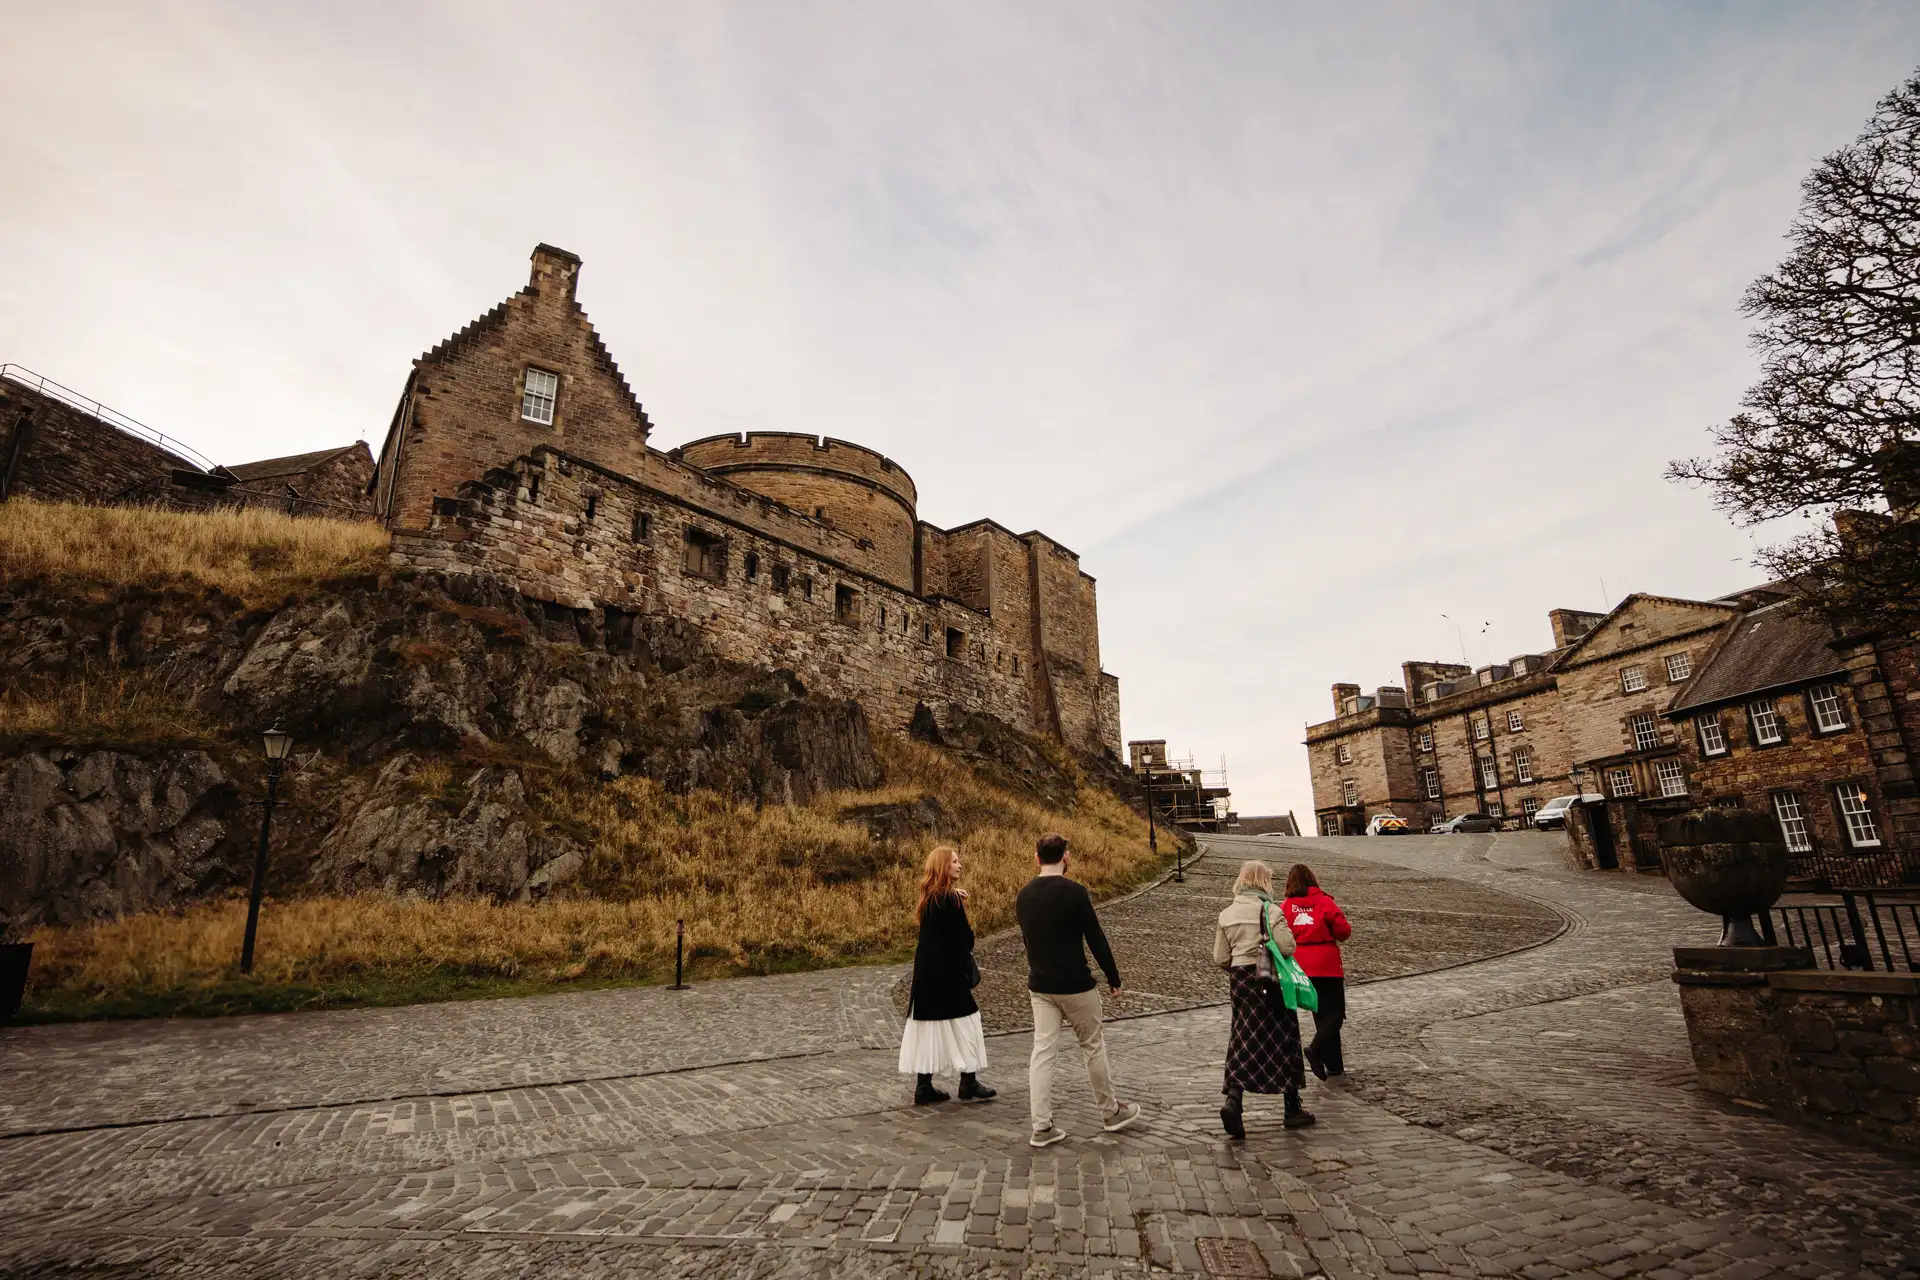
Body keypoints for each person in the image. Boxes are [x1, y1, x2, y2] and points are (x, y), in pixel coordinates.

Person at [1015, 832, 1143, 1147]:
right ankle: (1110, 1112)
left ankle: (1041, 1125)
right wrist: (1113, 976)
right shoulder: (1075, 893)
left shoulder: (1024, 895)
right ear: (1066, 856)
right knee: (1092, 1046)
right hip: (1075, 985)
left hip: (1040, 985)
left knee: (1043, 1052)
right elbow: (1095, 938)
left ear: (1037, 858)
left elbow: (1028, 940)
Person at [1212, 859, 1314, 1136]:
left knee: (1242, 1038)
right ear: (1263, 882)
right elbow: (1287, 946)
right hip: (1270, 982)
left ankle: (1234, 1099)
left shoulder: (1227, 914)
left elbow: (1220, 958)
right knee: (1285, 1037)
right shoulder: (1270, 910)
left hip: (1241, 983)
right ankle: (1291, 1107)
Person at [898, 845, 996, 1105]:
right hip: (948, 974)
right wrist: (958, 902)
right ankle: (968, 1081)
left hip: (926, 974)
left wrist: (954, 894)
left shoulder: (929, 897)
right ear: (943, 866)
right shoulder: (950, 899)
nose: (959, 865)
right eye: (954, 861)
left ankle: (924, 1086)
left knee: (928, 1027)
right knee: (968, 1021)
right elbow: (965, 939)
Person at [1282, 863, 1351, 1079]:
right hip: (1327, 965)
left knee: (1321, 1015)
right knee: (1335, 1014)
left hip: (1302, 967)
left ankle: (1334, 1065)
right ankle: (1315, 1049)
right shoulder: (1324, 901)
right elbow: (1343, 931)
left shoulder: (1286, 906)